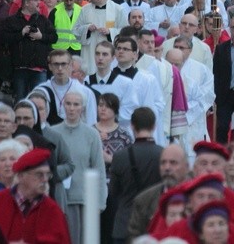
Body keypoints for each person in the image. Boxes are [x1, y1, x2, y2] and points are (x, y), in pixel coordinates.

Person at [51, 87, 107, 243]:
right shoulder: (53, 133)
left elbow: (99, 169)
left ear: (82, 108)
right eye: (68, 104)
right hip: (60, 199)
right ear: (63, 106)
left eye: (76, 104)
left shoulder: (92, 134)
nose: (72, 108)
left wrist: (100, 202)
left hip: (84, 200)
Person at [0, 148, 71, 243]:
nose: (45, 179)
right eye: (39, 174)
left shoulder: (53, 211)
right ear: (21, 176)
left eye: (48, 174)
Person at [109, 107, 163, 244]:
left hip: (124, 225)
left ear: (132, 125)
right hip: (153, 225)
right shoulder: (163, 155)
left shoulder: (120, 157)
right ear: (154, 126)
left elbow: (113, 193)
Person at [94, 92, 134, 244]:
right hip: (94, 185)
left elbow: (129, 164)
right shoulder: (91, 132)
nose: (103, 109)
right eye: (100, 105)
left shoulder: (124, 135)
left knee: (111, 227)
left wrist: (110, 159)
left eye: (107, 106)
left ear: (115, 110)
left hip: (115, 188)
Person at [127, 144, 191, 239]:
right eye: (163, 163)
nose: (167, 168)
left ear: (187, 167)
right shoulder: (144, 200)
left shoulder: (198, 195)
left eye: (173, 163)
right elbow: (134, 236)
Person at [3, 0, 58, 100]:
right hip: (20, 67)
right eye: (36, 0)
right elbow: (4, 38)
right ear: (27, 3)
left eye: (39, 0)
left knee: (38, 99)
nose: (39, 3)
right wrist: (21, 33)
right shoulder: (12, 20)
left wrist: (41, 36)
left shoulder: (43, 20)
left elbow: (54, 37)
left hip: (39, 68)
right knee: (20, 99)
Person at [73, 0, 128, 75]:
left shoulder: (117, 9)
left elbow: (125, 31)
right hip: (89, 50)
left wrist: (110, 31)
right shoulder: (85, 9)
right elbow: (75, 30)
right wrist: (87, 28)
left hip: (109, 48)